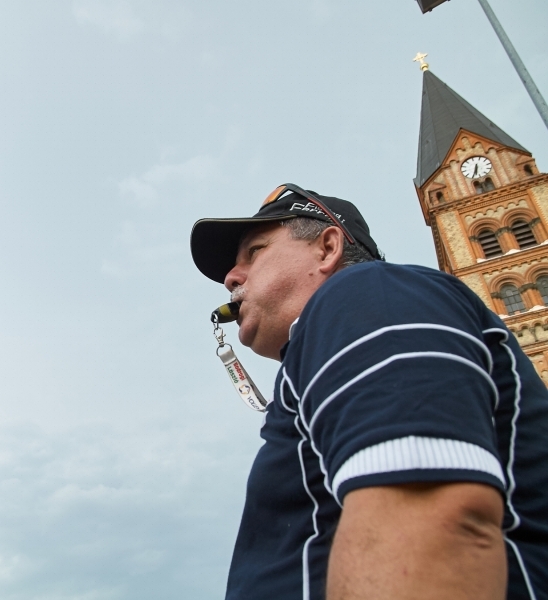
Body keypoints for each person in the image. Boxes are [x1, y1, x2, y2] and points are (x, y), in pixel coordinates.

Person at [189, 184, 548, 600]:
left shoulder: (365, 293)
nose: (231, 277)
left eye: (255, 252)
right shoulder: (332, 333)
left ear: (327, 248)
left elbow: (426, 524)